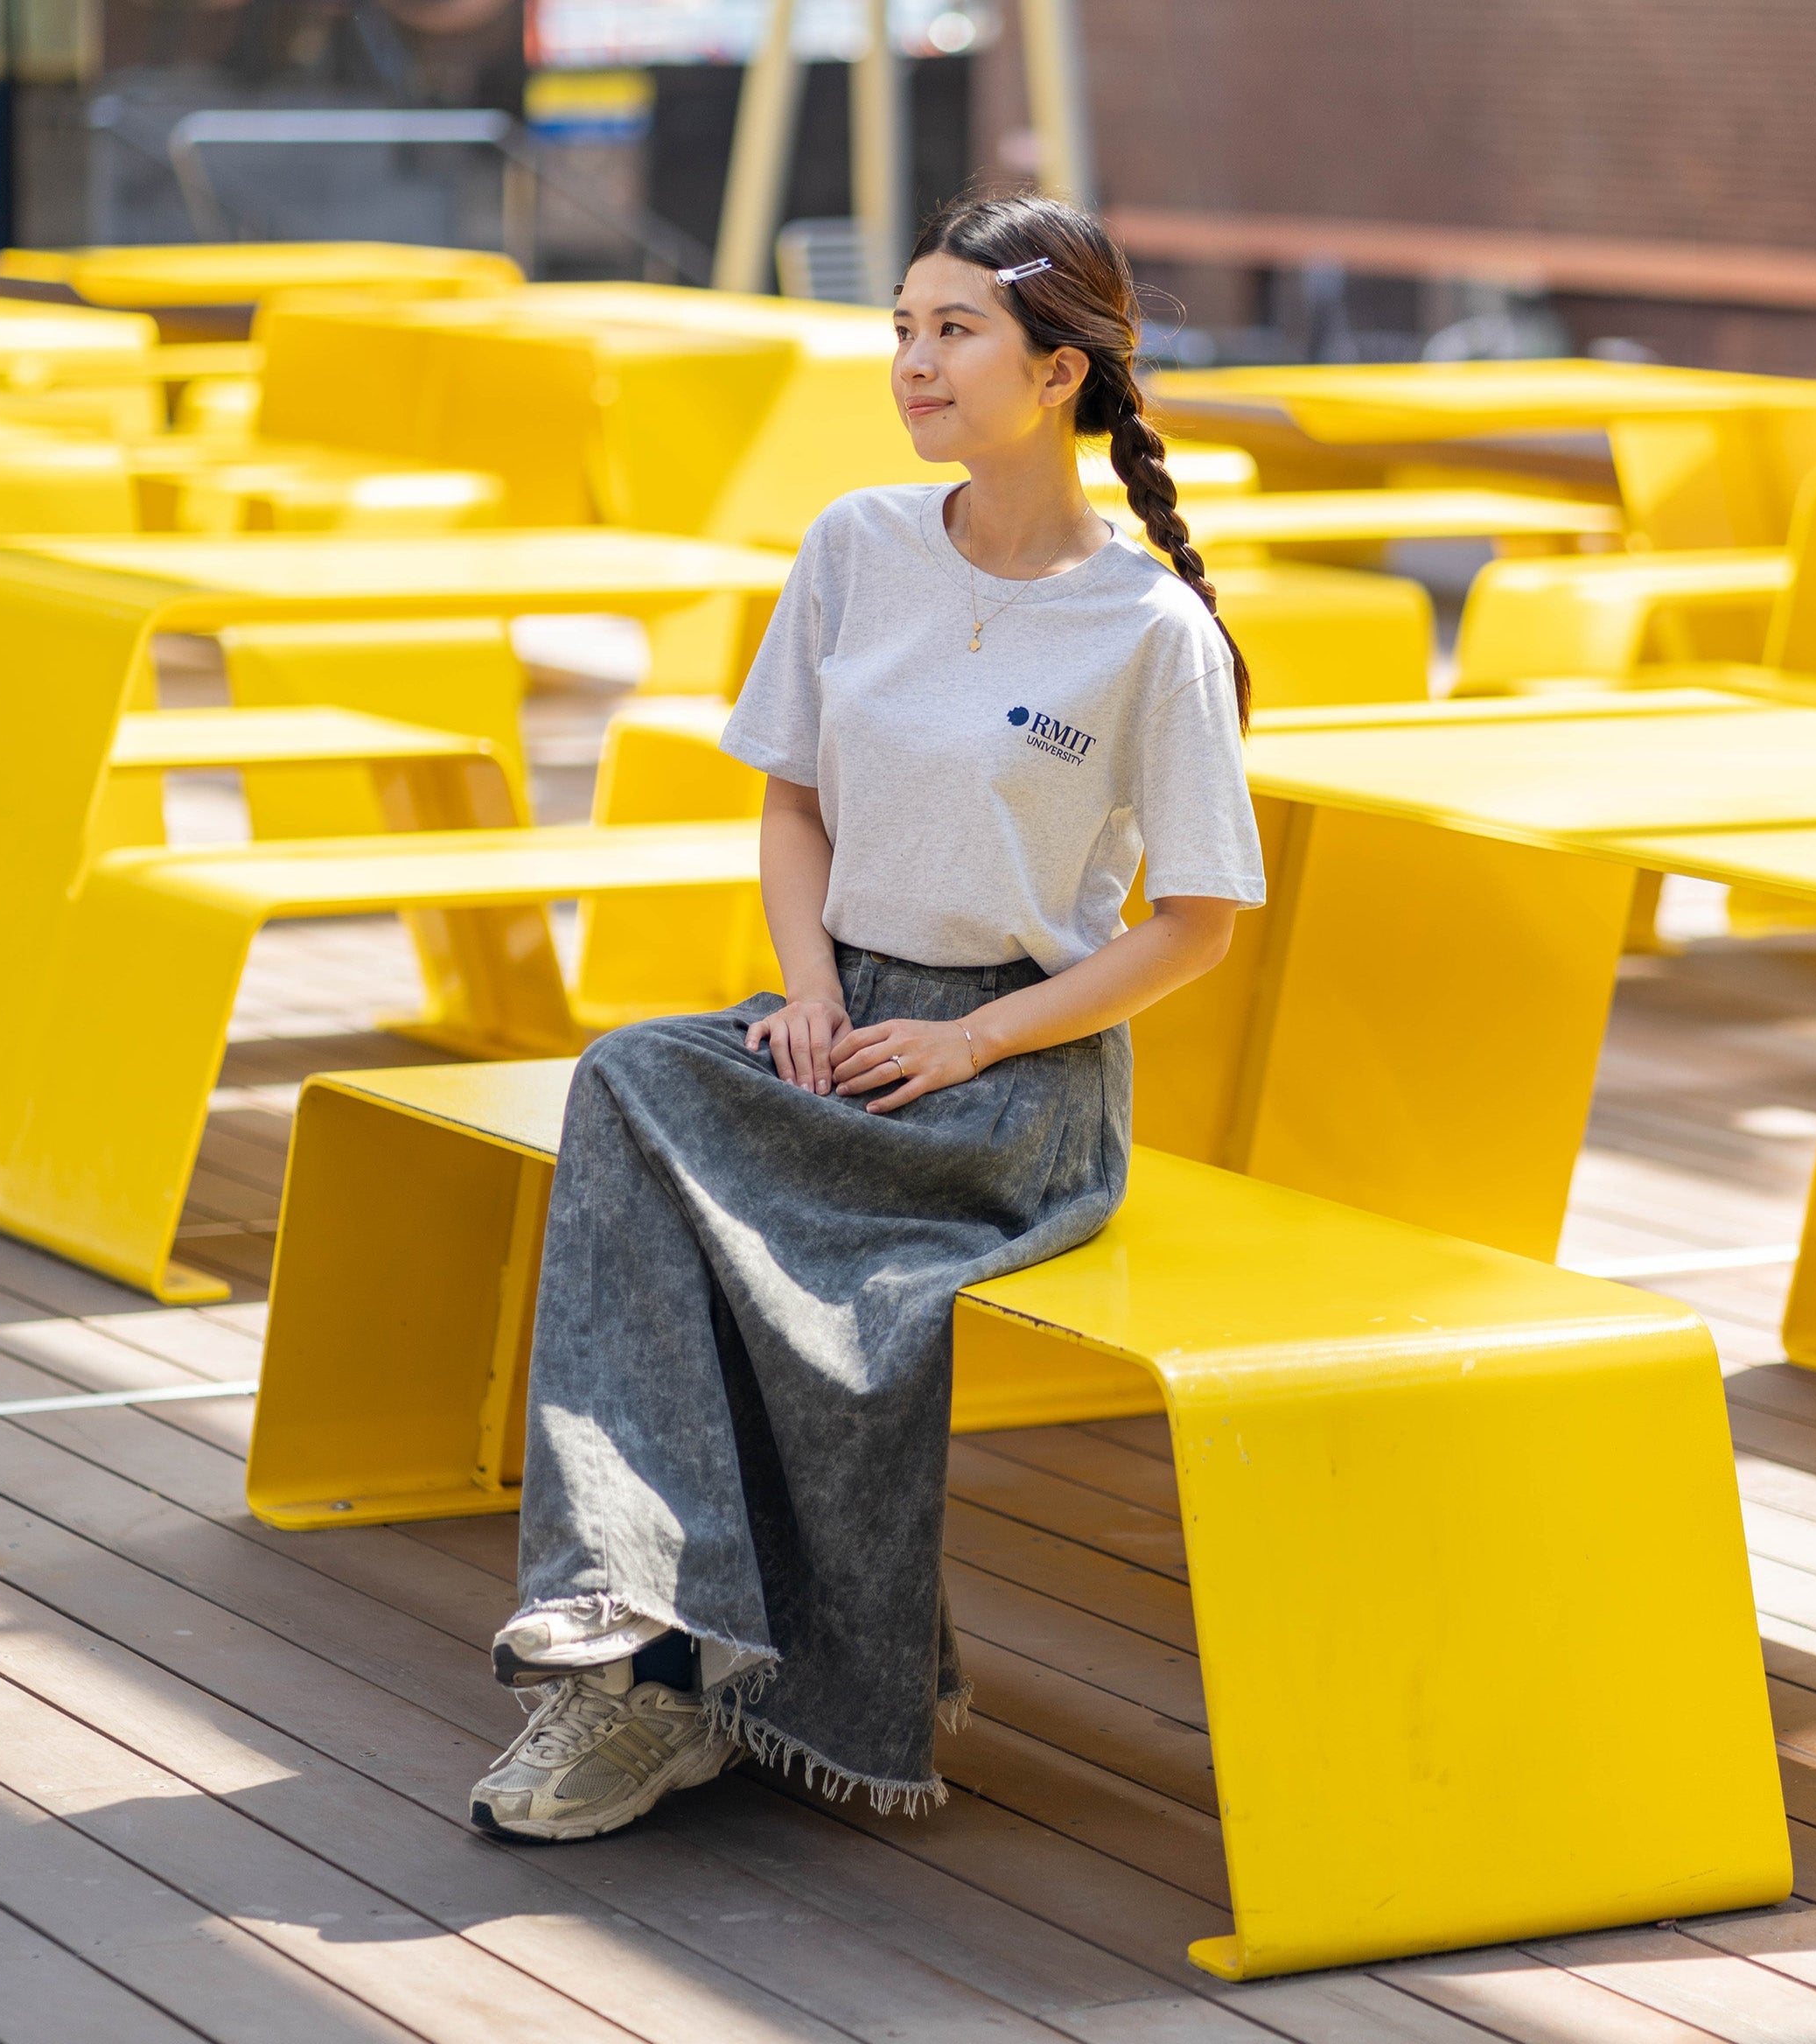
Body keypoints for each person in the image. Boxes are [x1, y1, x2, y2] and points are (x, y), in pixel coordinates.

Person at [469, 193, 1266, 1842]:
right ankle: (634, 1644)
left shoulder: (1150, 633)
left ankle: (673, 1681)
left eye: (953, 330)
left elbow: (1199, 926)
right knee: (632, 1082)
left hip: (1012, 1086)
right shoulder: (855, 546)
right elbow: (793, 808)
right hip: (833, 1030)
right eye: (902, 326)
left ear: (1060, 372)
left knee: (733, 1222)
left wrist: (973, 1041)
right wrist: (817, 992)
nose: (911, 361)